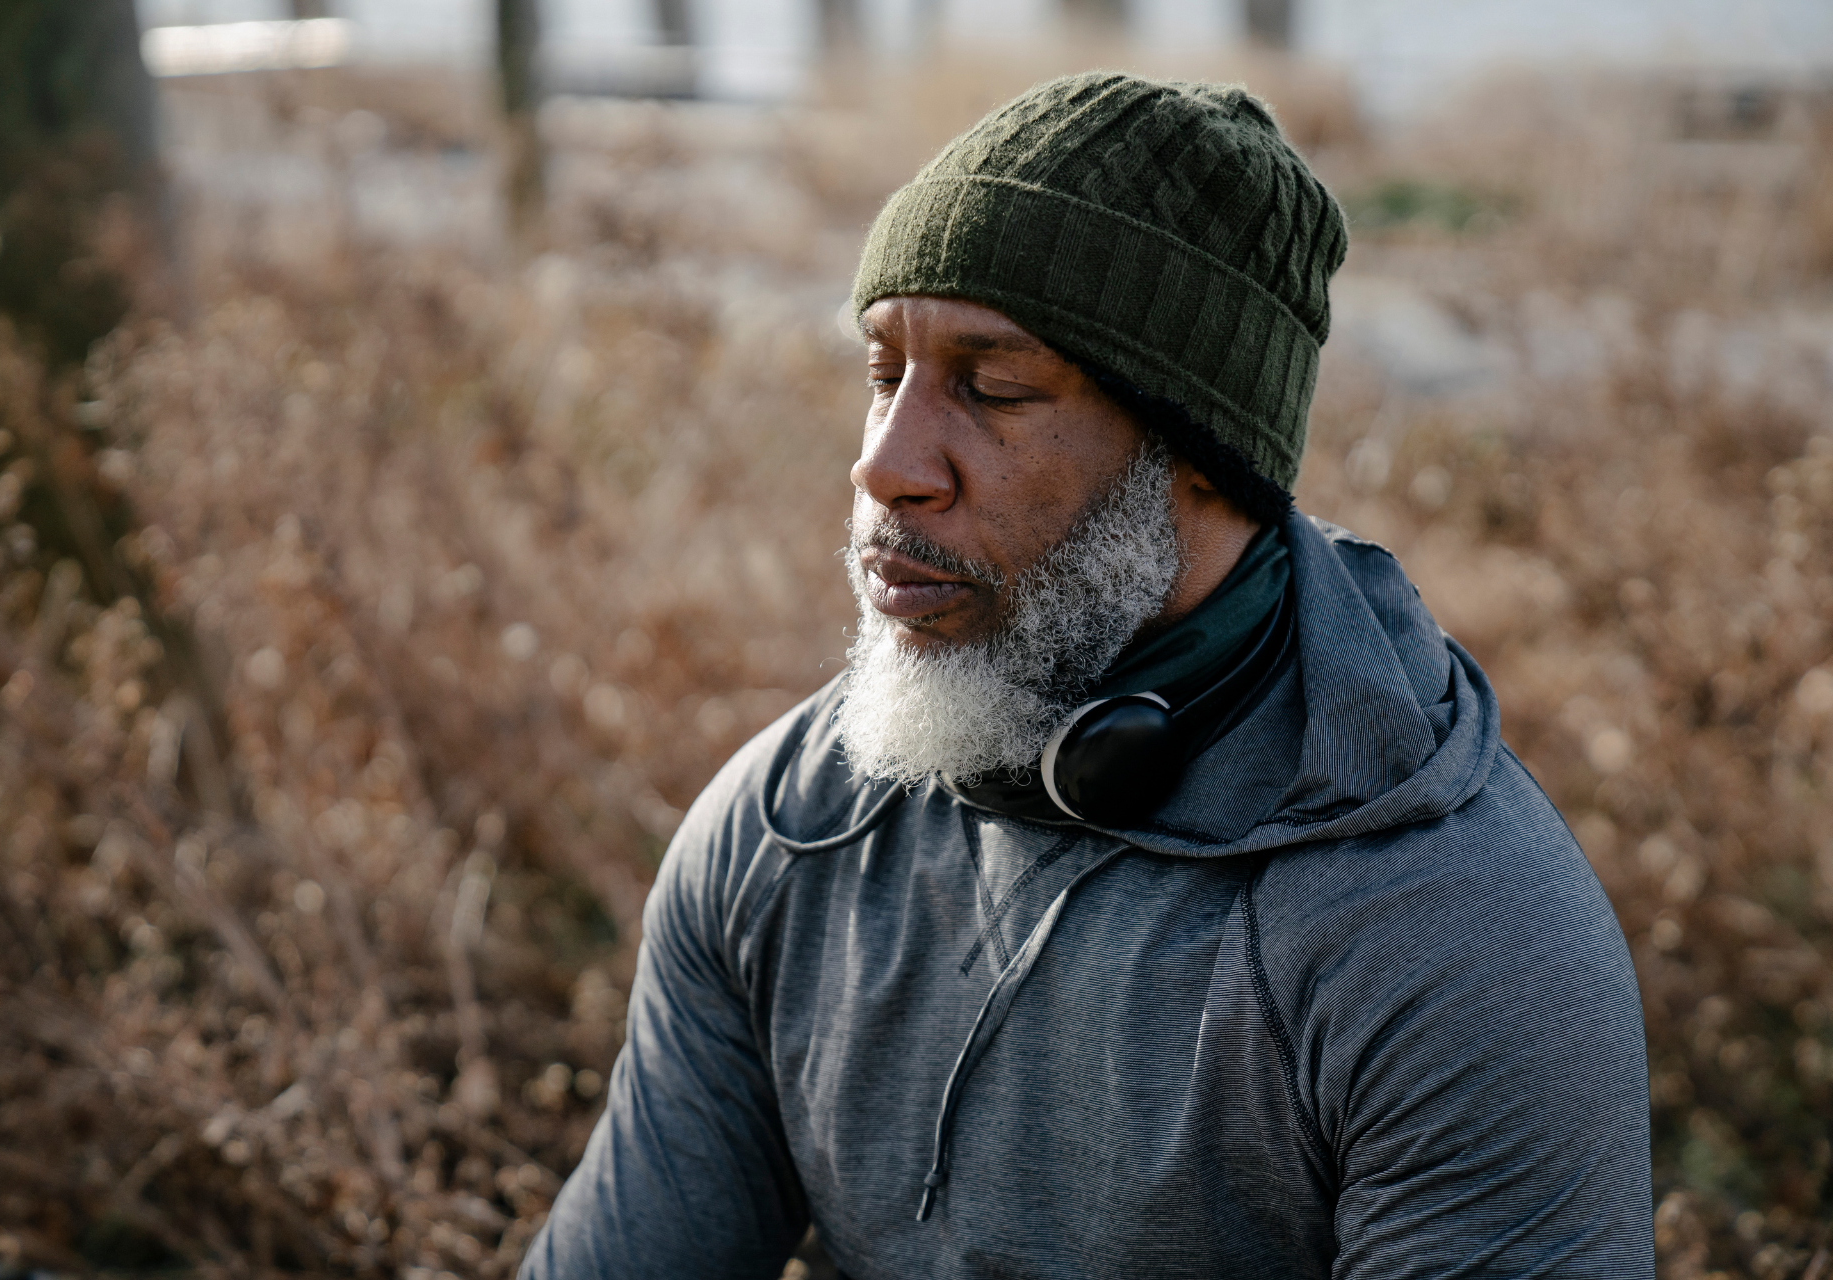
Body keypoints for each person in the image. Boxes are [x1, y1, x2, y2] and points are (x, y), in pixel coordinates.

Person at [521, 73, 1653, 1279]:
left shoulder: (1451, 942)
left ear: (1202, 456)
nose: (888, 466)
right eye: (882, 370)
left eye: (994, 387)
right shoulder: (785, 832)